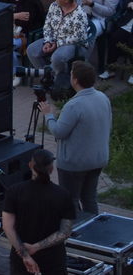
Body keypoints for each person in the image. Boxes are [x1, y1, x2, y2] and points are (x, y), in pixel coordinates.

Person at [38, 61, 112, 217]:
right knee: (89, 198)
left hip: (74, 163)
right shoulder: (103, 98)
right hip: (98, 159)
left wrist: (48, 115)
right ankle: (93, 231)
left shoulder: (74, 105)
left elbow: (58, 132)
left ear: (75, 80)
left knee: (70, 200)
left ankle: (75, 233)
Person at [3, 149, 75, 275]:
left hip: (21, 260)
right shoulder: (63, 195)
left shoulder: (14, 191)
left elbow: (8, 227)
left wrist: (25, 256)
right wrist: (36, 247)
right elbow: (65, 232)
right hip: (53, 261)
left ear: (30, 165)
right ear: (51, 168)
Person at [28, 0, 92, 93]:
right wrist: (48, 41)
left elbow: (77, 37)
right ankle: (50, 76)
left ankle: (59, 81)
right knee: (31, 50)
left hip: (72, 43)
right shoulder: (54, 6)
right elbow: (47, 25)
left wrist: (57, 44)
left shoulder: (79, 14)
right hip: (53, 39)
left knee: (58, 57)